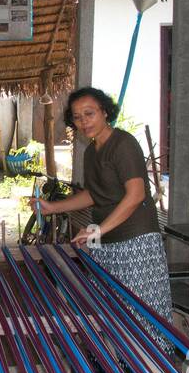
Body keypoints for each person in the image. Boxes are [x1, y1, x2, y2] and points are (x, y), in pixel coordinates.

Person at [27, 86, 172, 324]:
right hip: (106, 242)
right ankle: (115, 361)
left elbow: (135, 195)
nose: (83, 121)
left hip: (136, 242)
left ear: (105, 112)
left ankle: (147, 362)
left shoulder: (123, 144)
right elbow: (94, 194)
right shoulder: (91, 153)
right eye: (77, 116)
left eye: (89, 113)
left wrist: (97, 230)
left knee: (143, 312)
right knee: (113, 311)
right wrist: (53, 207)